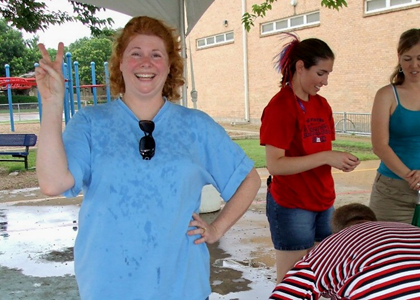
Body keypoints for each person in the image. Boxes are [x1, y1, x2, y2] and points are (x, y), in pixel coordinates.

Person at [34, 16, 261, 300]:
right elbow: (53, 183)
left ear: (169, 66)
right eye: (135, 53)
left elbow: (249, 179)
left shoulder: (197, 126)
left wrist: (216, 229)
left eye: (156, 55)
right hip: (108, 284)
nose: (146, 62)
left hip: (182, 285)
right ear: (120, 63)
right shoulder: (90, 122)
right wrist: (53, 104)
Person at [260, 33, 360, 284]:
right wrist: (326, 156)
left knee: (323, 276)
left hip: (324, 201)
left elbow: (320, 151)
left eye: (328, 74)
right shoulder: (280, 107)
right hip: (292, 204)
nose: (325, 81)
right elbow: (275, 165)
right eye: (321, 73)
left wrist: (339, 160)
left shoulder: (322, 105)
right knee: (292, 282)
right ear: (300, 67)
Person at [269, 203, 420, 299]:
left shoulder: (331, 245)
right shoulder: (409, 229)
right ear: (375, 222)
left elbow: (288, 295)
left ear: (337, 232)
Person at [369, 28, 420, 224]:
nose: (414, 65)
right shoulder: (386, 95)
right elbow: (380, 145)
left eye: (419, 58)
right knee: (385, 252)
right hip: (391, 193)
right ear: (399, 57)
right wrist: (411, 177)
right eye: (407, 58)